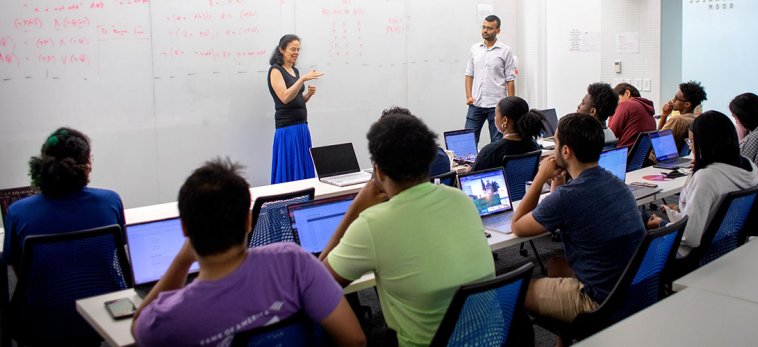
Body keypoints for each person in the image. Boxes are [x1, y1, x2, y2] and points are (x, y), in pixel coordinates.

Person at [132, 158, 365, 347]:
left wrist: (182, 261)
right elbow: (355, 340)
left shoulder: (166, 320)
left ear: (184, 228)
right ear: (248, 221)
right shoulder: (294, 262)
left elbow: (137, 326)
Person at [320, 109, 495, 346]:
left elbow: (319, 284)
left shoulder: (373, 224)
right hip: (489, 339)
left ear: (378, 171)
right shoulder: (462, 200)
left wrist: (356, 207)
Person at [511, 114, 644, 328]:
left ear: (566, 151)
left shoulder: (569, 197)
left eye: (555, 143)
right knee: (554, 265)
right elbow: (559, 209)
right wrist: (558, 182)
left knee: (515, 291)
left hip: (599, 301)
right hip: (631, 285)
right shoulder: (615, 182)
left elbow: (517, 225)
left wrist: (540, 178)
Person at [3, 127, 124, 274]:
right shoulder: (110, 201)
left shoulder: (18, 213)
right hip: (107, 296)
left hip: (45, 297)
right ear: (88, 165)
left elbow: (19, 269)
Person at [647, 111, 758, 256]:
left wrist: (660, 223)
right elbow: (711, 212)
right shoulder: (748, 167)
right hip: (725, 245)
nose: (691, 147)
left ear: (705, 144)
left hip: (688, 254)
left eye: (692, 142)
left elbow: (690, 238)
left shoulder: (706, 178)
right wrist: (675, 211)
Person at [268, 34, 324, 184]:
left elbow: (297, 101)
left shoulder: (295, 71)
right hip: (288, 129)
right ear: (281, 49)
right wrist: (303, 79)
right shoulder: (275, 71)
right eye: (293, 49)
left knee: (303, 166)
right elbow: (285, 97)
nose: (296, 52)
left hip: (301, 127)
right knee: (290, 167)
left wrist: (308, 95)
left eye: (298, 49)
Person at [464, 15, 517, 146]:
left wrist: (510, 105)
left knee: (498, 142)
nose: (485, 31)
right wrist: (469, 96)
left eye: (489, 28)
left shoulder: (505, 51)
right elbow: (469, 74)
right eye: (484, 27)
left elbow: (510, 79)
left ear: (498, 31)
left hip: (497, 105)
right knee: (467, 140)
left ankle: (497, 166)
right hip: (476, 103)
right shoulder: (475, 49)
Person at [472, 96, 546, 171]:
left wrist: (469, 170)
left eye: (495, 115)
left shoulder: (490, 152)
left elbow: (471, 179)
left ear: (505, 120)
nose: (494, 118)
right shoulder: (533, 145)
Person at [657, 81, 707, 152]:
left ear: (687, 104)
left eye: (676, 98)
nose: (673, 100)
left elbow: (657, 141)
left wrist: (663, 116)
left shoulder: (677, 120)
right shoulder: (695, 120)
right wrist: (665, 115)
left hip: (655, 160)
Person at [609, 83, 657, 149]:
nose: (615, 105)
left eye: (616, 100)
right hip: (639, 158)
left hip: (622, 156)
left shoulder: (626, 104)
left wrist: (610, 115)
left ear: (627, 93)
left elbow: (611, 135)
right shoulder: (648, 111)